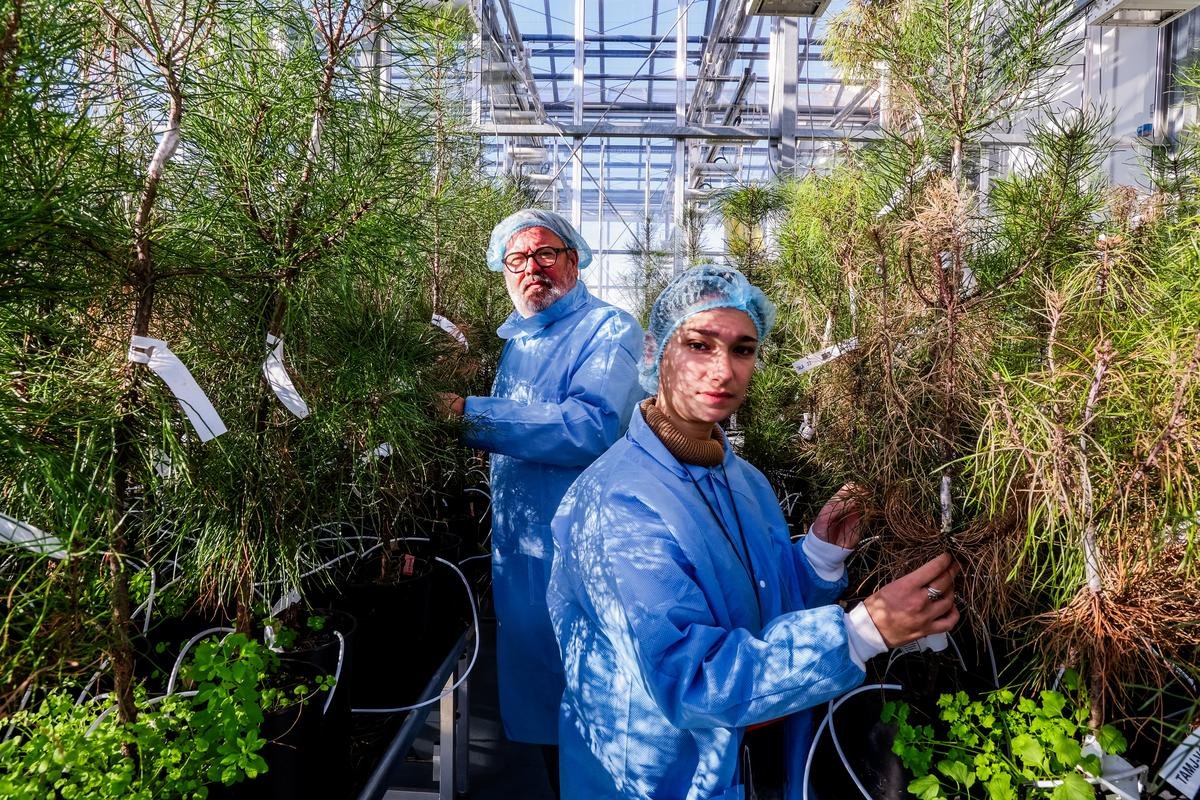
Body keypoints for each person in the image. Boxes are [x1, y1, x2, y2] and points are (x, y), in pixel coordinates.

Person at [547, 265, 960, 800]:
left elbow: (758, 605)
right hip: (659, 778)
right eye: (699, 345)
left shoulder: (743, 480)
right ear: (655, 351)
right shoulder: (617, 503)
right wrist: (863, 632)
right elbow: (691, 679)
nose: (723, 370)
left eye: (742, 350)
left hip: (752, 758)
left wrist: (817, 557)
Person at [440, 209, 644, 757]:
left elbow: (589, 426)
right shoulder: (520, 340)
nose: (532, 268)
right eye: (517, 259)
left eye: (545, 254)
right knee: (540, 693)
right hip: (520, 546)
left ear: (574, 261)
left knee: (589, 707)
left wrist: (468, 415)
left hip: (580, 542)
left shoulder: (608, 328)